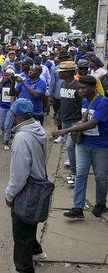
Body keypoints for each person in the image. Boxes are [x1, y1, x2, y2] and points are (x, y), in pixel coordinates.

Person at [52, 75, 108, 219]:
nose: (80, 91)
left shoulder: (103, 102)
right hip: (83, 144)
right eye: (79, 88)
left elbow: (92, 123)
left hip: (101, 146)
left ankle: (100, 204)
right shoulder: (84, 101)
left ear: (93, 88)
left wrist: (66, 130)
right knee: (80, 175)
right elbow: (84, 119)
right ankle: (78, 207)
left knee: (101, 177)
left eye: (83, 88)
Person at [5, 98, 48, 273]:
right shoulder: (37, 128)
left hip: (27, 188)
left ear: (16, 115)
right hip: (39, 184)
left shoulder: (22, 138)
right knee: (30, 224)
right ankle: (37, 251)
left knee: (21, 233)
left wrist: (9, 195)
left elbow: (19, 175)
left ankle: (24, 268)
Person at [56, 61, 82, 187]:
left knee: (71, 147)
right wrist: (58, 114)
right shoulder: (62, 84)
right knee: (70, 148)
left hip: (75, 122)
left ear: (70, 72)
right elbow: (63, 102)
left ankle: (76, 174)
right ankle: (76, 172)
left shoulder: (78, 87)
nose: (60, 73)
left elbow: (82, 106)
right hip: (65, 121)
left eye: (62, 71)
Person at [0, 67, 14, 150]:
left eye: (8, 75)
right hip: (2, 106)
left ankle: (6, 141)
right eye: (5, 75)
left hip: (11, 107)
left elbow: (14, 93)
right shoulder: (2, 82)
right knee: (2, 125)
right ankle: (7, 133)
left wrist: (12, 82)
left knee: (7, 125)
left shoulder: (15, 83)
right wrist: (2, 82)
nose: (6, 77)